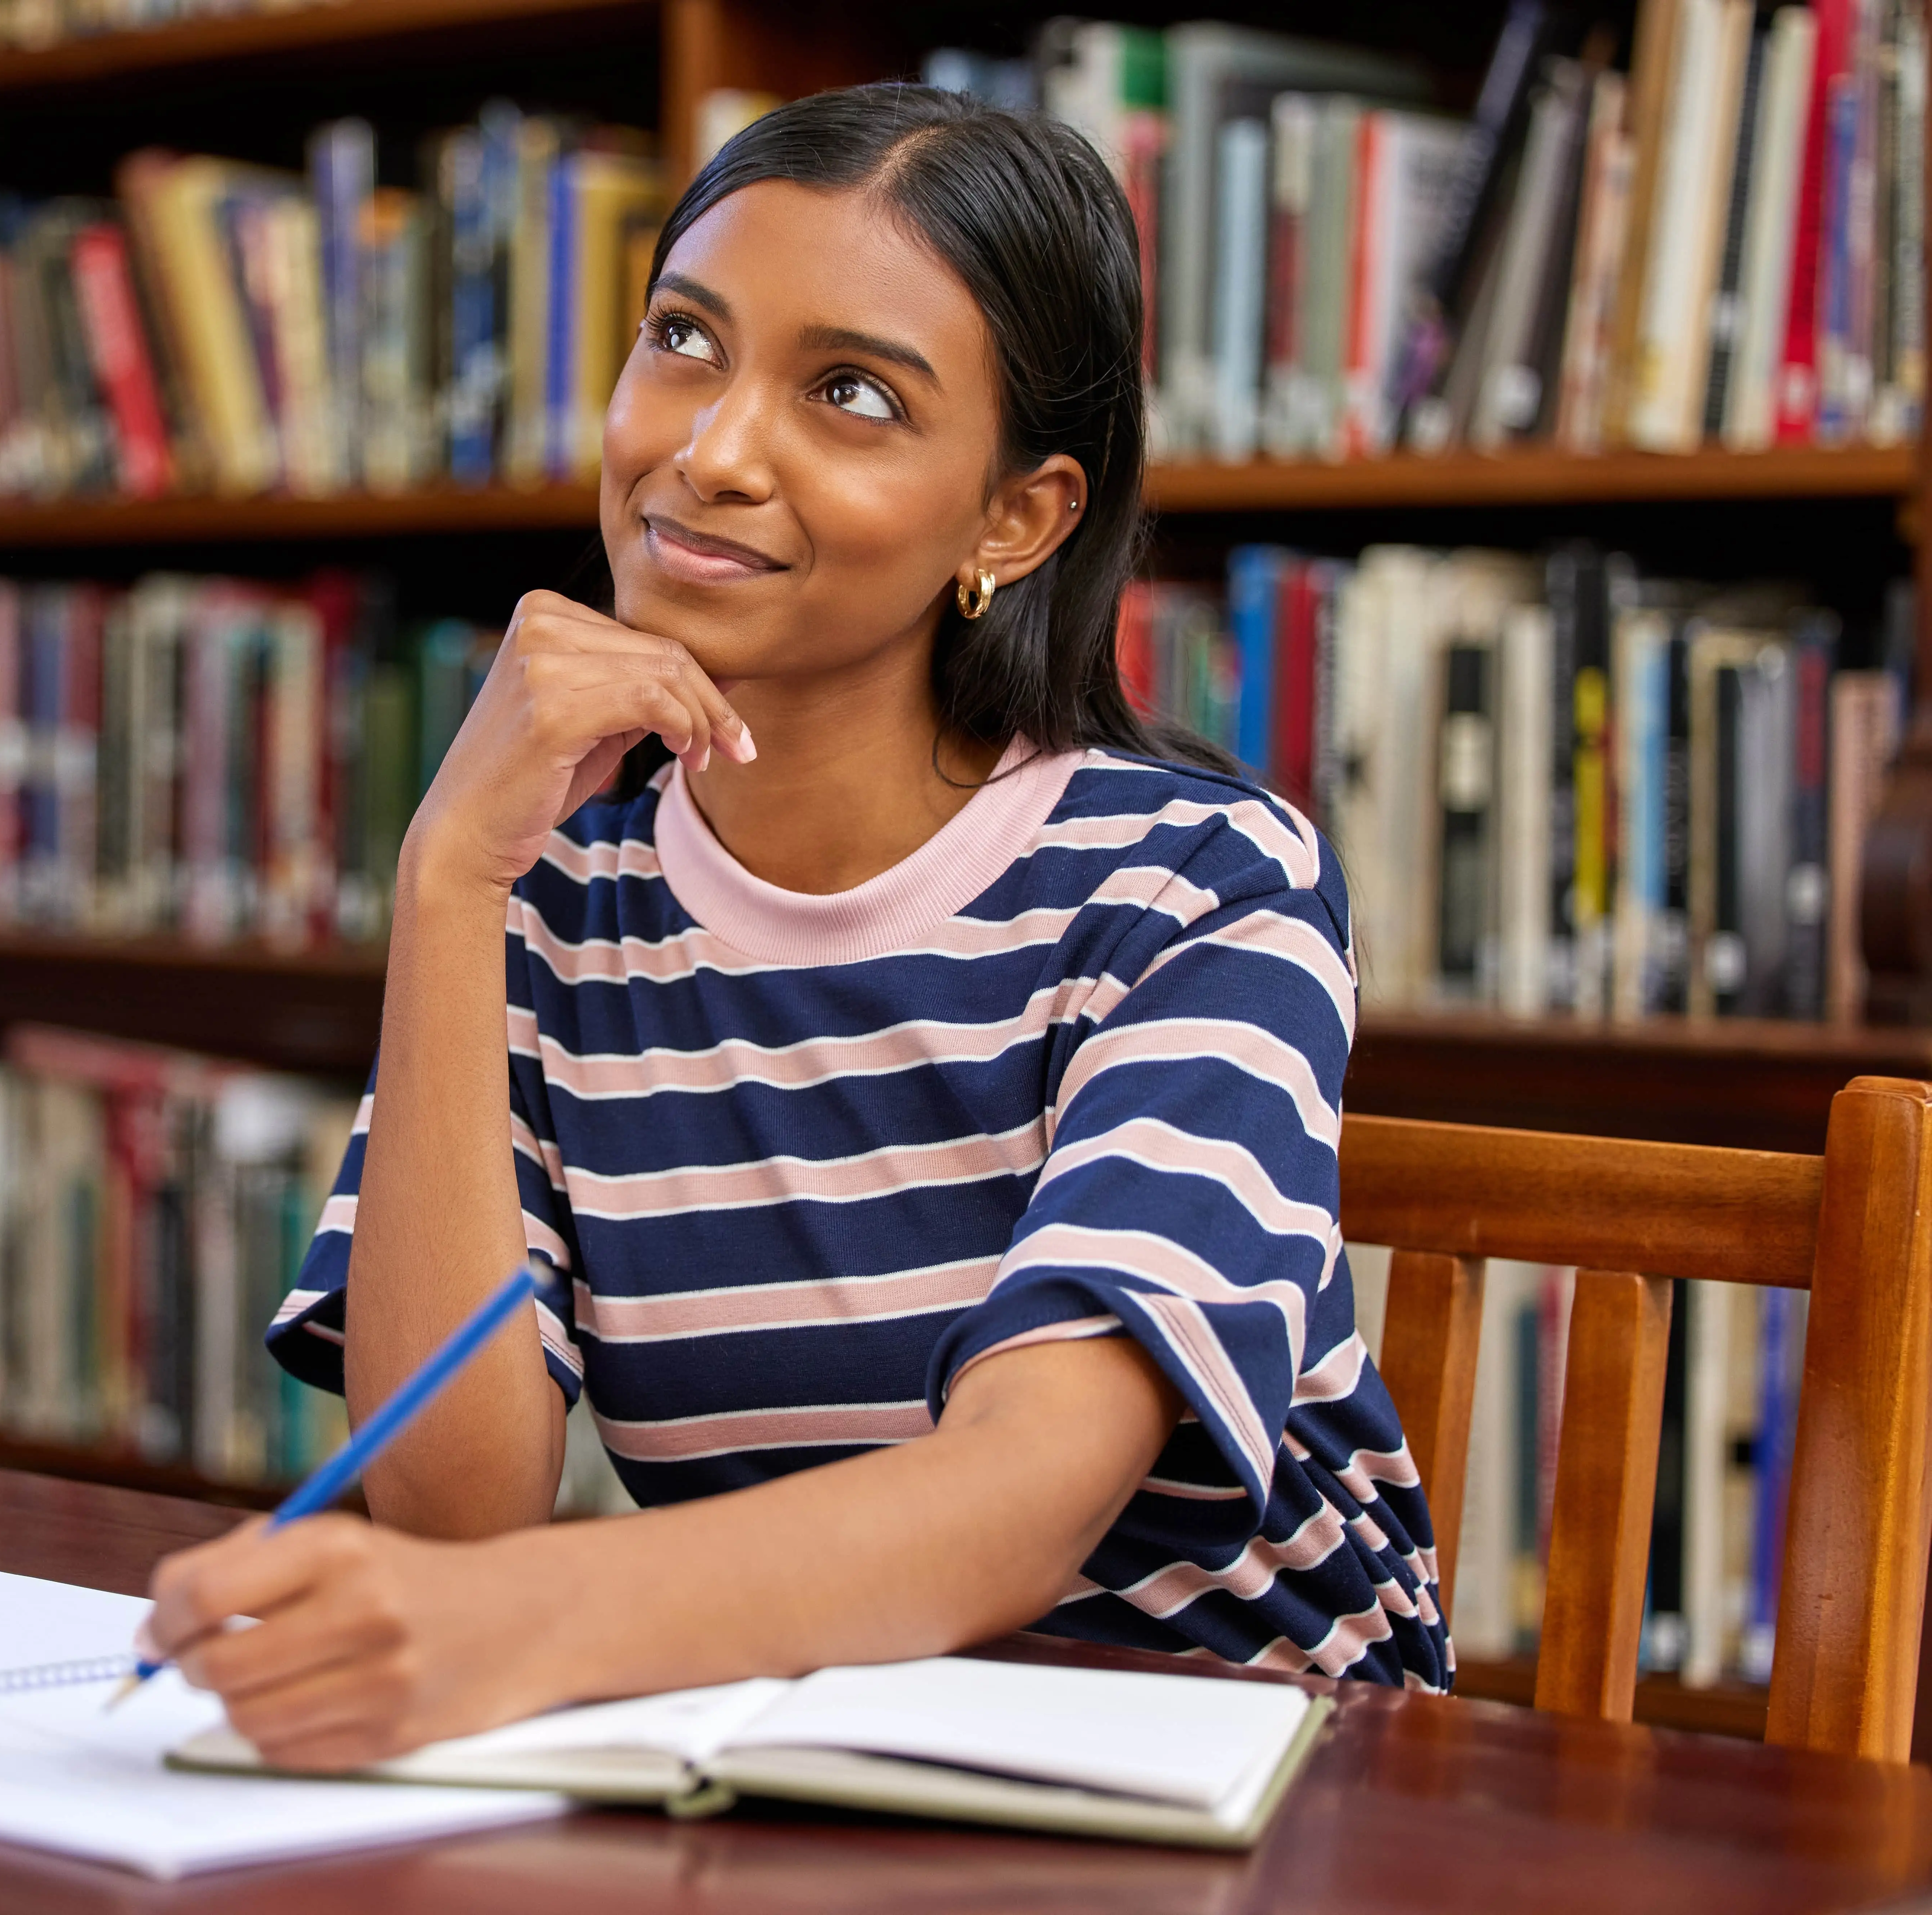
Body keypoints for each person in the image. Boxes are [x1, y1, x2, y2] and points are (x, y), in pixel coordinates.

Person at [136, 82, 1450, 1770]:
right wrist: (448, 884)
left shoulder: (1199, 890)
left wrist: (513, 1632)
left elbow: (1021, 1505)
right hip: (792, 1763)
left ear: (1016, 520)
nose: (711, 449)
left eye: (851, 394)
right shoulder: (559, 895)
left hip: (1251, 1789)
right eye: (684, 338)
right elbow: (454, 1506)